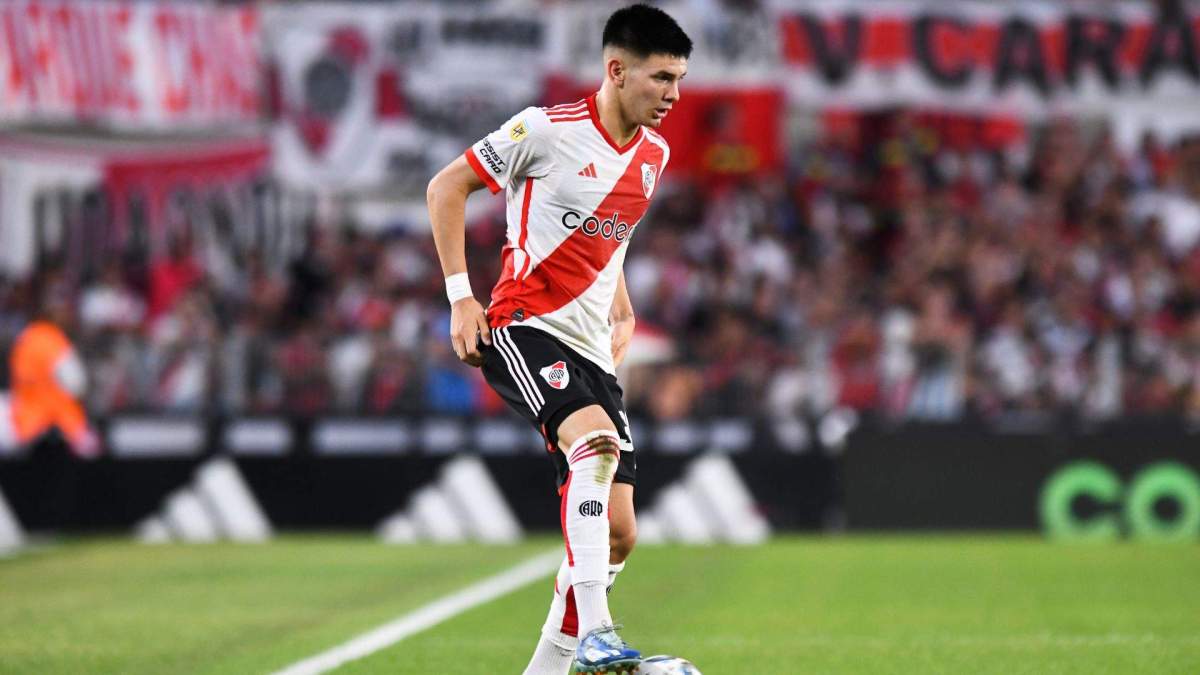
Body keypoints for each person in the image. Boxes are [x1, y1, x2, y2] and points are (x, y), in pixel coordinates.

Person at [426, 5, 691, 673]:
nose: (673, 95)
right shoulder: (545, 130)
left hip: (593, 351)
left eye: (679, 79)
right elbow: (445, 186)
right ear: (615, 70)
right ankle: (600, 632)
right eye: (661, 77)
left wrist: (621, 304)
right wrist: (462, 298)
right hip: (521, 325)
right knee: (595, 444)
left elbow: (610, 236)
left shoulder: (655, 156)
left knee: (620, 533)